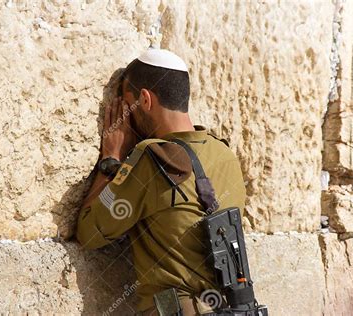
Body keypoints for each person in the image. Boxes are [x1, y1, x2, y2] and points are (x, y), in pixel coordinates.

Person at [76, 49, 246, 315]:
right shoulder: (225, 155)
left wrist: (111, 159)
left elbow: (89, 232)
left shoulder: (153, 157)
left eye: (127, 105)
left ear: (144, 99)